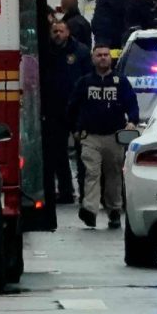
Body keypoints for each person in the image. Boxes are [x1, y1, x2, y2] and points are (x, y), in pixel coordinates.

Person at [69, 46, 138, 229]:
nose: (103, 58)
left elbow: (132, 104)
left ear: (111, 58)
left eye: (106, 55)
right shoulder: (85, 82)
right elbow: (72, 107)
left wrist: (132, 121)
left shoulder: (120, 82)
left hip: (114, 137)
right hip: (91, 137)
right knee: (92, 173)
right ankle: (90, 210)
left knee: (114, 174)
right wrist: (75, 129)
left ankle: (114, 210)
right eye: (99, 55)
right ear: (93, 58)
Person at [41, 19, 87, 204]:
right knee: (57, 153)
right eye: (54, 31)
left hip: (77, 110)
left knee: (83, 152)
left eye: (61, 31)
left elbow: (87, 79)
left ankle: (85, 192)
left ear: (68, 32)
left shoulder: (81, 52)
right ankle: (65, 192)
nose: (57, 35)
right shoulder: (47, 52)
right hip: (55, 109)